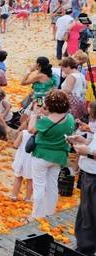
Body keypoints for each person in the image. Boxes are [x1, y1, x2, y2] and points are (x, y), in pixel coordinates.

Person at [27, 90, 76, 221]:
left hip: (42, 155)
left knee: (39, 186)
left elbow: (31, 129)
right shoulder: (69, 118)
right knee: (53, 185)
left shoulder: (45, 122)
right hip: (59, 156)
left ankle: (37, 215)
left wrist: (34, 115)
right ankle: (49, 212)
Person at [71, 131, 96, 256]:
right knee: (86, 214)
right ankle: (85, 250)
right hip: (89, 174)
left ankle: (87, 249)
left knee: (90, 214)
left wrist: (89, 153)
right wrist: (85, 142)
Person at [10, 127, 34, 202]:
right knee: (30, 179)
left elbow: (16, 145)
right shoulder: (39, 134)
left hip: (21, 157)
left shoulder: (24, 132)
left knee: (18, 177)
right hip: (32, 159)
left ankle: (14, 195)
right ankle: (28, 198)